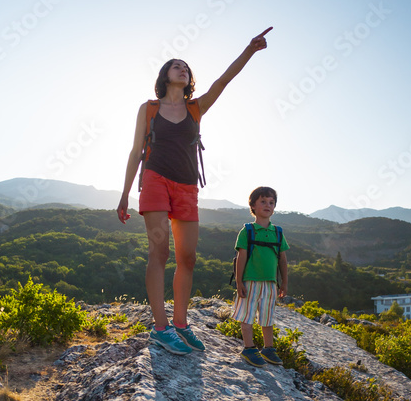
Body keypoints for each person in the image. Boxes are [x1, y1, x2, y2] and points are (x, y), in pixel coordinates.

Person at [117, 28, 273, 355]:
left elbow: (223, 81)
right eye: (176, 66)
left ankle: (181, 323)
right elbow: (135, 152)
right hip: (155, 181)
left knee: (188, 258)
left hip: (187, 187)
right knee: (159, 253)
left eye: (186, 67)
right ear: (164, 76)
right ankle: (160, 328)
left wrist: (249, 49)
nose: (182, 69)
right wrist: (124, 194)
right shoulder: (148, 108)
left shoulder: (195, 109)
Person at [232, 186, 289, 367]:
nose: (268, 205)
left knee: (267, 316)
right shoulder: (247, 231)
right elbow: (241, 257)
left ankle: (268, 348)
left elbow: (282, 260)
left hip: (271, 283)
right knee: (247, 316)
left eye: (271, 202)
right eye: (263, 201)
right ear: (253, 206)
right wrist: (239, 282)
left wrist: (284, 283)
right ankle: (249, 348)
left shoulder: (278, 233)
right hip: (250, 281)